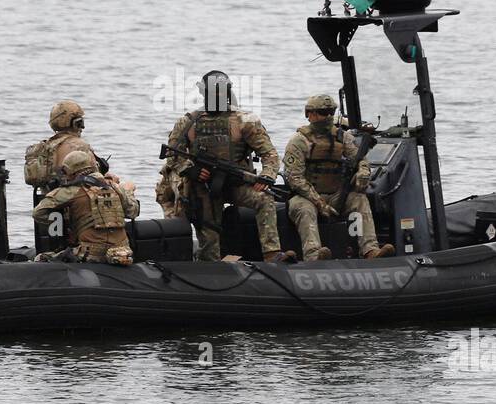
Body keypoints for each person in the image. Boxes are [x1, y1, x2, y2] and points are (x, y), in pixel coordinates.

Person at [163, 70, 296, 263]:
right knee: (209, 240)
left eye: (220, 93)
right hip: (203, 188)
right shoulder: (188, 122)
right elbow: (171, 155)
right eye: (212, 93)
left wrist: (267, 176)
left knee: (264, 200)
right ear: (203, 93)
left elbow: (269, 154)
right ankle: (211, 266)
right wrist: (190, 170)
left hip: (237, 184)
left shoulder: (245, 121)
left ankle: (271, 254)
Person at [283, 93, 395, 261]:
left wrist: (363, 173)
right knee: (304, 209)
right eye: (323, 112)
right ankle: (314, 255)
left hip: (336, 196)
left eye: (331, 111)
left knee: (359, 199)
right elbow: (295, 179)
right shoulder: (299, 141)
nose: (328, 116)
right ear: (310, 114)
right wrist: (320, 203)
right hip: (306, 197)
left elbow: (361, 160)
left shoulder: (344, 138)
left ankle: (370, 250)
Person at [31, 150, 139, 265]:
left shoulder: (70, 191)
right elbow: (133, 212)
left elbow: (38, 212)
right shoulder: (115, 187)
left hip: (90, 254)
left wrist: (64, 222)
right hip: (121, 252)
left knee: (41, 258)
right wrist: (128, 192)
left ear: (70, 171)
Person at [23, 100, 100, 191]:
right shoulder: (80, 145)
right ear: (74, 123)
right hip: (73, 199)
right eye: (80, 122)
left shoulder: (44, 147)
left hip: (47, 198)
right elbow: (96, 177)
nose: (82, 127)